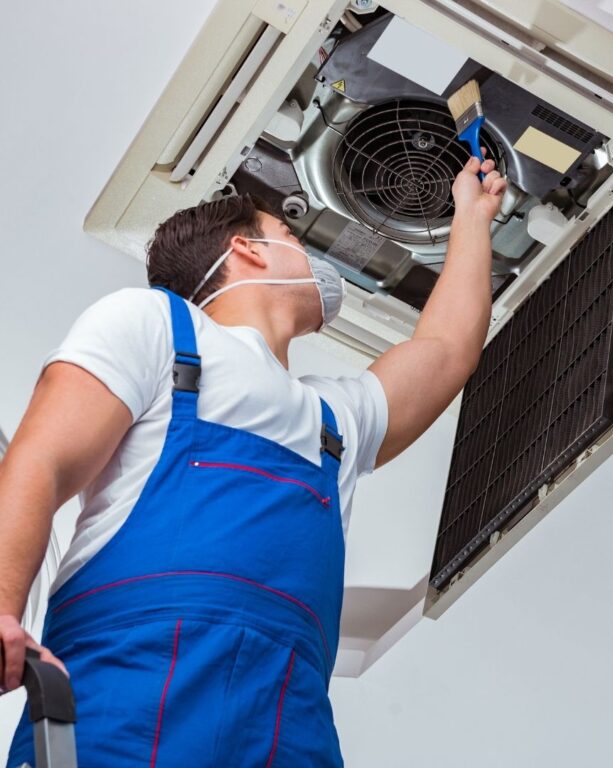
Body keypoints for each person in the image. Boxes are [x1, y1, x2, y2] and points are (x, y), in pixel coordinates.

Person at [0, 154, 506, 766]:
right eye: (291, 235)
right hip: (127, 690)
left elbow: (446, 351)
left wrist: (473, 218)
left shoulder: (334, 419)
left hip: (288, 722)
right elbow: (41, 461)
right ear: (248, 250)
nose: (314, 259)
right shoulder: (157, 323)